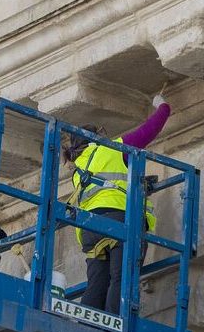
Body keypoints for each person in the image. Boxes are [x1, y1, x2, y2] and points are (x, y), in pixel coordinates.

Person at [65, 94, 171, 314]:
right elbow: (150, 129)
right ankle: (116, 321)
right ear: (97, 138)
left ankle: (88, 326)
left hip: (89, 230)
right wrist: (163, 106)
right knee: (122, 275)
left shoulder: (78, 171)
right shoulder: (112, 149)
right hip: (117, 221)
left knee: (97, 281)